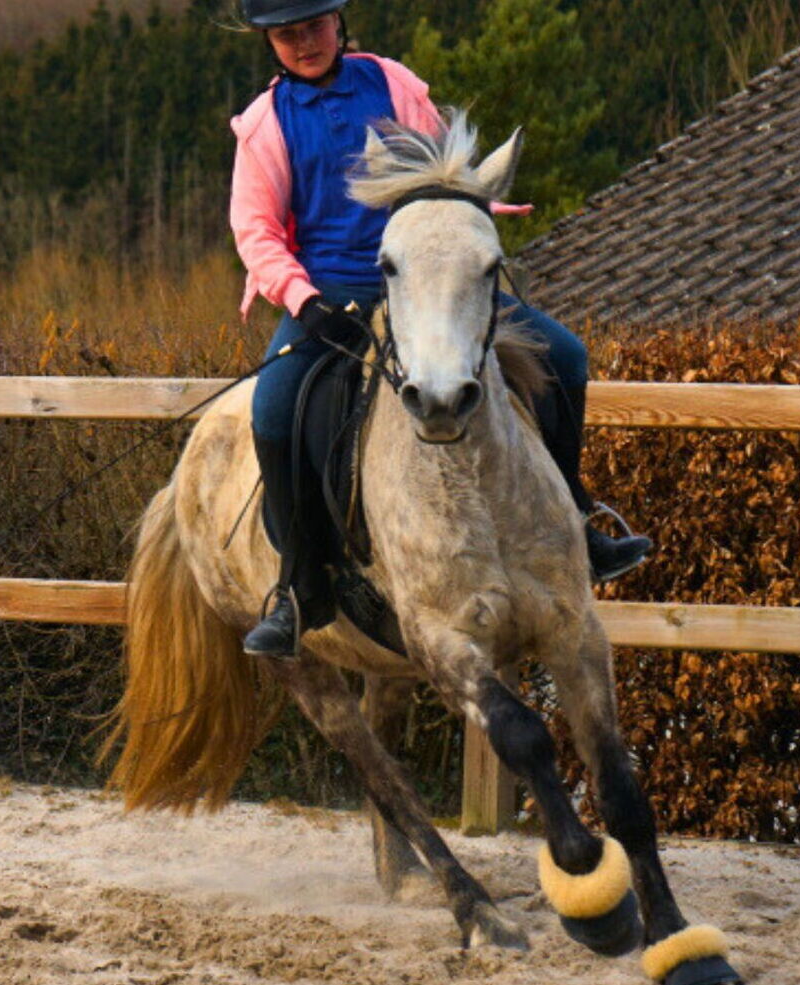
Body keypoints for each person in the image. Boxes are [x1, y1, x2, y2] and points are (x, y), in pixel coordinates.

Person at [232, 0, 652, 657]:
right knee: (274, 410)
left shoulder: (394, 83)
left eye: (313, 27)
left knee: (565, 357)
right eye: (288, 36)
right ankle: (296, 586)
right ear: (270, 44)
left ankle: (576, 521)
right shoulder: (264, 126)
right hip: (331, 295)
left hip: (431, 280)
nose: (305, 44)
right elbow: (254, 230)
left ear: (338, 22)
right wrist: (302, 299)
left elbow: (446, 180)